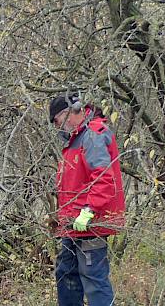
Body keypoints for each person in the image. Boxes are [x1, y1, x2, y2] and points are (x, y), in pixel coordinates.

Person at [48, 93, 125, 306]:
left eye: (57, 121)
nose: (57, 127)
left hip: (91, 223)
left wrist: (88, 211)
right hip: (73, 224)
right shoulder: (76, 139)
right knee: (66, 273)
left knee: (93, 278)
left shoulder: (93, 135)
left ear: (67, 113)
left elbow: (103, 179)